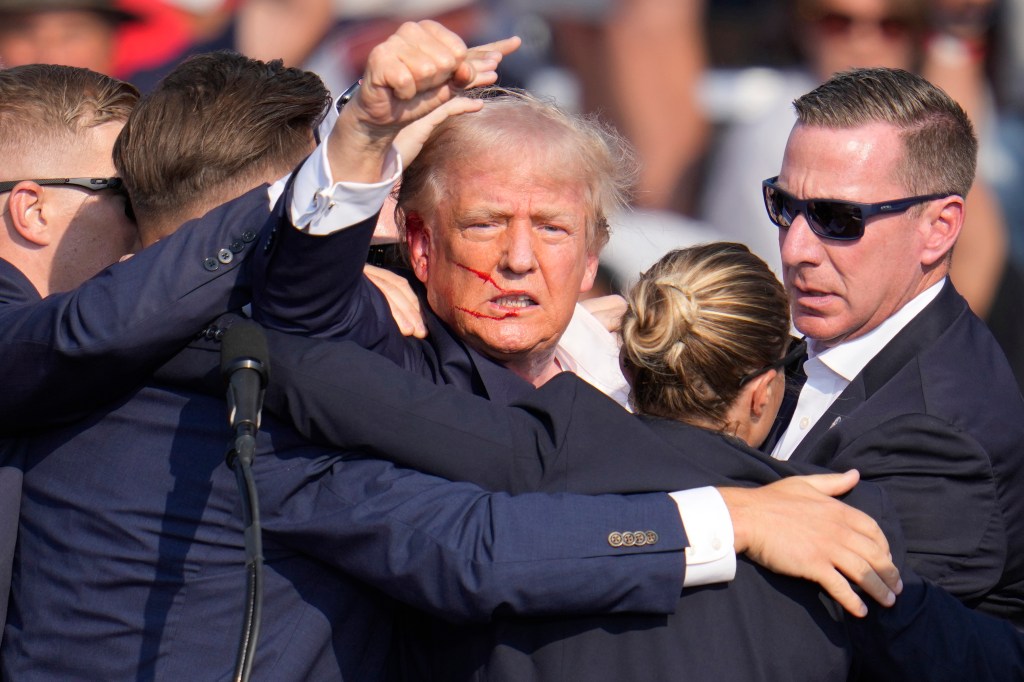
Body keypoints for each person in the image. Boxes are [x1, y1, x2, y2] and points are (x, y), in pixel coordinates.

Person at [0, 31, 895, 678]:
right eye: (481, 224)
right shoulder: (238, 382)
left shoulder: (110, 362)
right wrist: (730, 519)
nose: (516, 257)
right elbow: (474, 547)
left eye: (551, 227)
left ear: (593, 248)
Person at [211, 243, 1024, 679]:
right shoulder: (839, 532)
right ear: (763, 392)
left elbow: (331, 379)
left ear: (634, 359)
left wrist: (358, 283)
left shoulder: (538, 446)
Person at [761, 66, 1024, 625]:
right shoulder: (819, 344)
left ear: (938, 228)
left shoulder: (938, 437)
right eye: (784, 207)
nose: (797, 249)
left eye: (838, 218)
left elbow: (811, 639)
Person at [0, 0, 138, 75]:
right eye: (25, 33)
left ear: (110, 42)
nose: (51, 57)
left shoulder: (152, 124)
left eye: (73, 35)